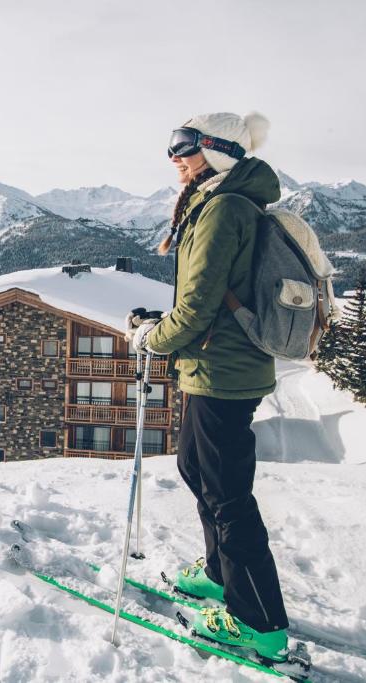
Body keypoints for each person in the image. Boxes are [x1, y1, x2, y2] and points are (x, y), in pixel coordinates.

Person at [126, 111, 290, 662]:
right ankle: (222, 575)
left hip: (222, 370)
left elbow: (196, 307)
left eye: (184, 145)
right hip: (212, 365)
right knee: (196, 468)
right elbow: (209, 296)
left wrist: (155, 339)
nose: (173, 156)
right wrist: (164, 324)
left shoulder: (221, 209)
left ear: (216, 151)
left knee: (228, 496)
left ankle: (259, 623)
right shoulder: (219, 204)